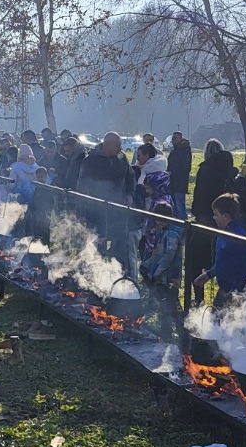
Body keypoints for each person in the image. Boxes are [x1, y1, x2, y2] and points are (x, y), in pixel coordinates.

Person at [186, 139, 237, 306]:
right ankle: (226, 301)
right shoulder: (230, 170)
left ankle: (197, 298)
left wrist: (197, 213)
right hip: (226, 220)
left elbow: (200, 194)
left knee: (194, 261)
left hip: (205, 220)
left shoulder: (205, 170)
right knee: (222, 260)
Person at [74, 132, 136, 265]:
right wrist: (83, 211)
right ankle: (96, 275)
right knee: (98, 243)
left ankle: (120, 275)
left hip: (119, 210)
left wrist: (130, 194)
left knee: (120, 244)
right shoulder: (90, 161)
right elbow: (82, 186)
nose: (120, 148)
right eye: (117, 145)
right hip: (96, 211)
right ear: (107, 145)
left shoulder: (121, 158)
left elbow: (131, 177)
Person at [192, 193, 246, 308]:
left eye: (216, 214)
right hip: (225, 287)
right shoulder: (224, 233)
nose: (214, 218)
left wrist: (240, 290)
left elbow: (244, 264)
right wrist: (209, 274)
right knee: (216, 319)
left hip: (235, 291)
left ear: (226, 216)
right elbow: (222, 262)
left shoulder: (237, 237)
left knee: (228, 322)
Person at [140, 201, 185, 343]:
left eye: (158, 218)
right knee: (165, 305)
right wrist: (146, 266)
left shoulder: (171, 234)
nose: (156, 221)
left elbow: (167, 258)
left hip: (170, 278)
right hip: (161, 277)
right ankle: (171, 333)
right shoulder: (162, 232)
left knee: (169, 307)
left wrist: (156, 274)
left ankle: (173, 335)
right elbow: (157, 255)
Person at [167, 132, 192, 219]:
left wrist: (172, 172)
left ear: (181, 139)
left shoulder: (184, 150)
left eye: (176, 138)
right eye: (173, 138)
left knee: (180, 207)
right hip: (173, 182)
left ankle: (184, 227)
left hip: (180, 183)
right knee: (175, 207)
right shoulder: (174, 151)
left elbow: (185, 167)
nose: (174, 139)